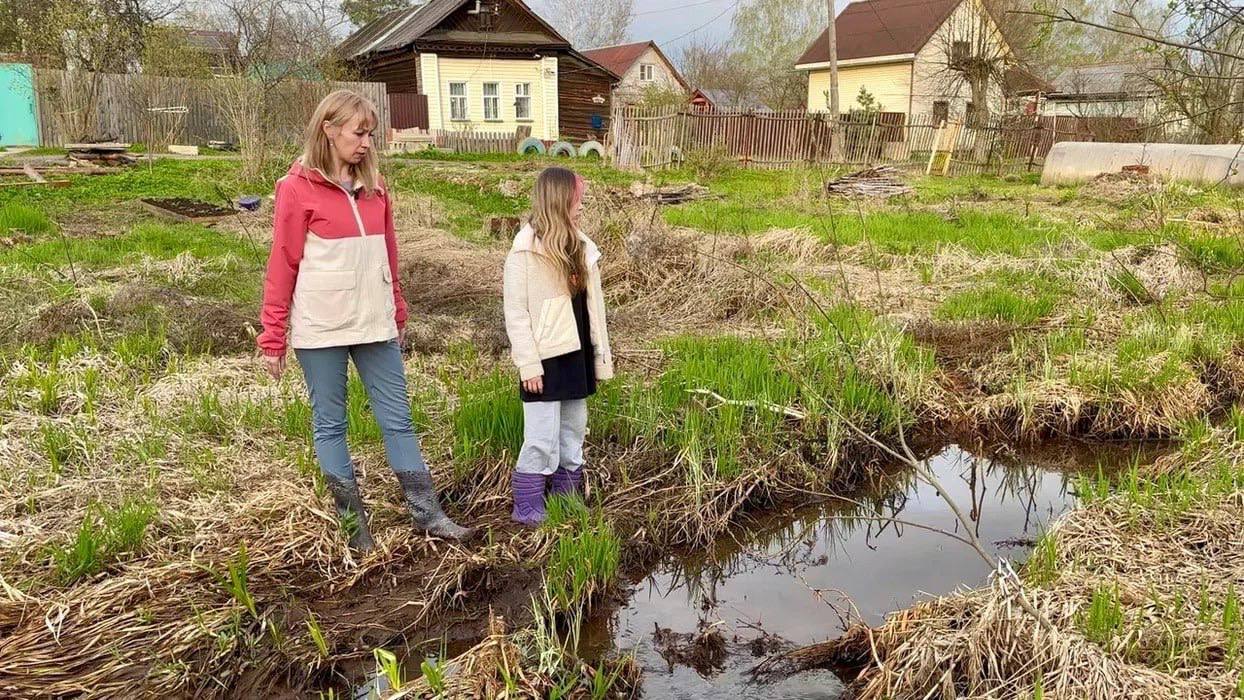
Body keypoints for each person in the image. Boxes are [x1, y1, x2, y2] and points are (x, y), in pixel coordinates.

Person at [257, 89, 470, 551]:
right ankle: (356, 531)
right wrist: (272, 335)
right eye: (359, 133)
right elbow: (283, 263)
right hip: (322, 330)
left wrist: (398, 308)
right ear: (328, 131)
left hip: (375, 325)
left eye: (371, 133)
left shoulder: (376, 191)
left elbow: (387, 257)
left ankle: (428, 514)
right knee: (330, 425)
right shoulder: (295, 189)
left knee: (399, 420)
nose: (367, 143)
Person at [503, 167, 614, 526]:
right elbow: (516, 312)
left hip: (576, 355)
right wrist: (528, 364)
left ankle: (567, 498)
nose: (581, 206)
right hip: (546, 360)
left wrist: (599, 357)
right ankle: (528, 506)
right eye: (576, 199)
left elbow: (591, 310)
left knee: (573, 429)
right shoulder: (525, 251)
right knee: (540, 435)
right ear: (558, 200)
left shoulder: (582, 246)